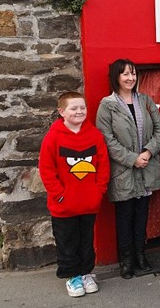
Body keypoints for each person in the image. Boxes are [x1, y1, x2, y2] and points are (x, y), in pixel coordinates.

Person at [96, 59, 160, 279]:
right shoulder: (107, 105)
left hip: (146, 167)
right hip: (124, 171)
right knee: (125, 216)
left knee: (142, 214)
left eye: (133, 74)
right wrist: (132, 158)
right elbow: (106, 139)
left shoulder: (145, 100)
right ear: (116, 77)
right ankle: (126, 261)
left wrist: (147, 152)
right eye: (125, 74)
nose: (130, 78)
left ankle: (140, 256)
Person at [38, 91, 110, 297]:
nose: (79, 111)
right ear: (61, 112)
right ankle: (72, 276)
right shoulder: (53, 138)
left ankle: (86, 273)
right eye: (74, 108)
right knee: (67, 241)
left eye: (82, 107)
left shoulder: (95, 135)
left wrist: (99, 191)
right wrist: (59, 195)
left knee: (87, 240)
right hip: (63, 206)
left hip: (89, 202)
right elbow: (47, 170)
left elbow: (103, 166)